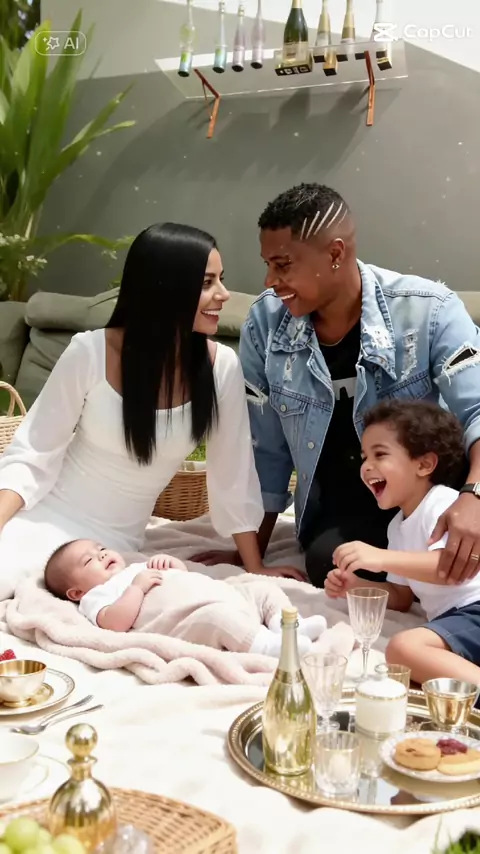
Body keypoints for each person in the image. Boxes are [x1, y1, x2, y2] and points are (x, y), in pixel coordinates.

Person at [193, 183, 480, 587]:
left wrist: (474, 498)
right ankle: (414, 579)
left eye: (283, 265)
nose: (270, 280)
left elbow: (477, 411)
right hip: (344, 510)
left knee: (457, 546)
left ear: (335, 254)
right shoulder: (265, 323)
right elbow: (266, 447)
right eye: (268, 264)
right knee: (331, 564)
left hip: (431, 499)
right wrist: (251, 554)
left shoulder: (429, 311)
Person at [0, 222, 303, 594]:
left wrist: (254, 566)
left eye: (220, 280)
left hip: (112, 546)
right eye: (207, 283)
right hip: (44, 516)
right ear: (165, 288)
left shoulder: (221, 366)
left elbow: (234, 473)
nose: (224, 295)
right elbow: (32, 453)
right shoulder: (90, 352)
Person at [325, 400, 480, 687]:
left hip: (475, 608)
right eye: (364, 457)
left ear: (424, 464)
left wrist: (380, 557)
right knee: (408, 653)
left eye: (380, 454)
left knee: (402, 649)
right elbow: (401, 595)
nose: (366, 467)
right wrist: (355, 585)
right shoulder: (396, 527)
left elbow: (449, 568)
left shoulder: (443, 504)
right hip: (458, 622)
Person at [43, 539, 330, 656]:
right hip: (192, 616)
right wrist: (136, 589)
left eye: (100, 548)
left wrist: (173, 566)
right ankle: (266, 646)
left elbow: (183, 578)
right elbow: (114, 623)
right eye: (88, 560)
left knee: (261, 588)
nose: (101, 555)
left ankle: (287, 624)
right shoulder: (97, 596)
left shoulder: (134, 567)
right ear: (76, 592)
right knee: (218, 620)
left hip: (221, 593)